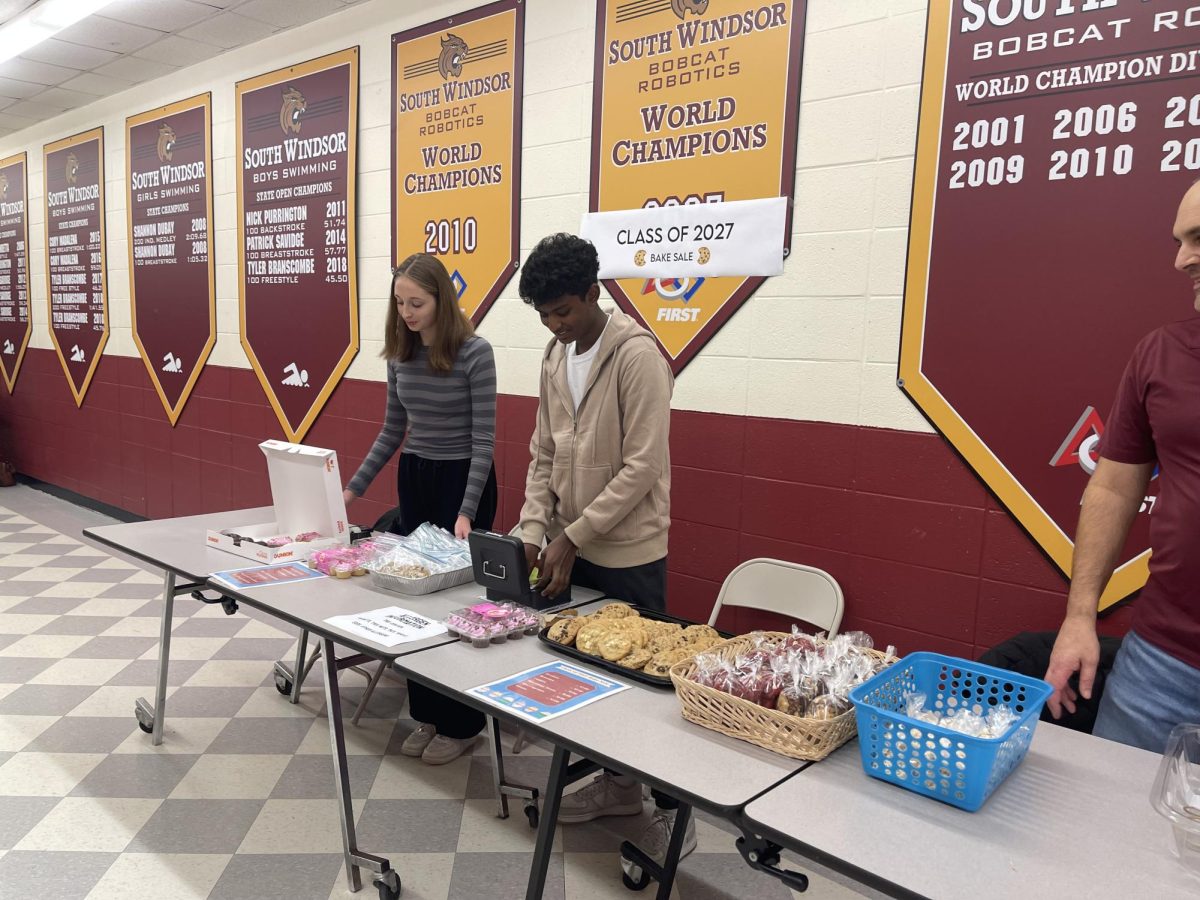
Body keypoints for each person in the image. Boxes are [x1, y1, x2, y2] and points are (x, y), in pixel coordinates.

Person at [515, 233, 690, 868]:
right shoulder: (553, 358)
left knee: (638, 689)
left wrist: (572, 534)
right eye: (544, 315)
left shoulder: (639, 356)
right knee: (581, 679)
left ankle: (671, 813)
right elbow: (543, 453)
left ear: (594, 293)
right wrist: (533, 529)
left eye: (563, 311)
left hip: (628, 551)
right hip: (568, 545)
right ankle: (619, 791)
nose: (556, 326)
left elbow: (642, 467)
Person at [1045, 181, 1200, 754]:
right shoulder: (1161, 354)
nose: (1181, 259)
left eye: (1198, 239)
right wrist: (1079, 616)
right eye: (1181, 241)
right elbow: (1112, 486)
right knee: (1107, 838)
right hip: (1162, 668)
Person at [344, 253, 497, 765]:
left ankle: (461, 725)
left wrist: (467, 510)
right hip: (417, 478)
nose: (407, 313)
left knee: (453, 608)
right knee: (412, 601)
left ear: (441, 301)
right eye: (400, 303)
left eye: (417, 303)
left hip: (462, 483)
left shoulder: (475, 353)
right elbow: (392, 430)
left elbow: (483, 440)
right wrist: (352, 489)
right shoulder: (400, 355)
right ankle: (427, 715)